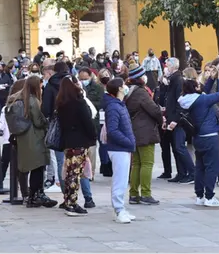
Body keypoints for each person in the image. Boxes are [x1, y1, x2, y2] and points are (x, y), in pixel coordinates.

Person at [178, 67, 219, 207]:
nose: (200, 85)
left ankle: (199, 195)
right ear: (194, 88)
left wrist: (211, 79)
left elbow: (203, 91)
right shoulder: (202, 100)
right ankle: (210, 197)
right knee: (212, 167)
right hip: (210, 136)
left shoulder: (186, 100)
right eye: (197, 84)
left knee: (200, 166)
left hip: (197, 137)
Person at [56, 76, 98, 216]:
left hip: (68, 142)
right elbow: (88, 122)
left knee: (69, 172)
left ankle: (68, 200)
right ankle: (72, 204)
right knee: (76, 173)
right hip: (80, 141)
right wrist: (93, 137)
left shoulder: (61, 103)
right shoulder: (78, 103)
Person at [15, 76, 57, 208]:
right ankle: (35, 196)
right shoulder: (33, 101)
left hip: (24, 138)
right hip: (35, 138)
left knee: (30, 167)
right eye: (40, 86)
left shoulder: (20, 99)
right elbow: (38, 122)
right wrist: (47, 121)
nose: (41, 88)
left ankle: (32, 196)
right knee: (38, 167)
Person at [125, 66, 163, 205]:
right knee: (147, 163)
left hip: (133, 130)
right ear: (141, 78)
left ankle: (133, 194)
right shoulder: (141, 92)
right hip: (145, 131)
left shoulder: (129, 91)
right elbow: (154, 110)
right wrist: (161, 119)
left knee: (136, 164)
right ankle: (146, 194)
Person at [103, 78, 137, 224]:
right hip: (118, 148)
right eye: (123, 85)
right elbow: (113, 130)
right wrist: (128, 141)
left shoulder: (119, 105)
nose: (126, 87)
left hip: (123, 147)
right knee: (120, 180)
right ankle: (118, 209)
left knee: (123, 181)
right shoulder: (113, 107)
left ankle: (121, 207)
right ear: (119, 89)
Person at [164, 57, 195, 184]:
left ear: (172, 67)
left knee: (179, 147)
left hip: (178, 120)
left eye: (166, 65)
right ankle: (181, 173)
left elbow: (179, 103)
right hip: (172, 118)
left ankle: (192, 172)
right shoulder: (172, 80)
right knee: (176, 148)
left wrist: (175, 119)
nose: (165, 68)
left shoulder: (178, 80)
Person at [156, 63, 173, 180]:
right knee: (164, 147)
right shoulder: (158, 88)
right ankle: (167, 171)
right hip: (161, 119)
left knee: (176, 147)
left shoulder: (172, 87)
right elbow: (155, 101)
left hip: (170, 119)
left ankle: (182, 171)